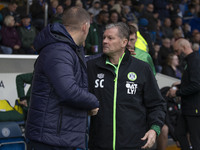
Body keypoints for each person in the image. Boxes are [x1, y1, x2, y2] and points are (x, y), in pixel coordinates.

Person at [25, 6, 99, 150]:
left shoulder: (67, 48)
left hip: (57, 138)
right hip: (50, 140)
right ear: (85, 27)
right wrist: (93, 101)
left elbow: (80, 65)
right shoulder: (59, 50)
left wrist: (105, 57)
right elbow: (68, 91)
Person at [87, 22, 166, 150]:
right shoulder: (91, 67)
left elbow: (157, 104)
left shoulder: (142, 68)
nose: (105, 41)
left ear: (124, 42)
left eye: (110, 38)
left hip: (133, 144)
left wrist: (154, 129)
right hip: (98, 144)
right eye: (104, 38)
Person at [167, 38, 200, 150]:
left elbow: (196, 85)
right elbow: (191, 83)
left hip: (194, 108)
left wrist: (177, 92)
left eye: (177, 51)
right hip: (187, 107)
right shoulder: (189, 61)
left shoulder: (195, 60)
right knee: (179, 133)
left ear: (184, 47)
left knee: (196, 140)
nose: (176, 53)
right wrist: (179, 86)